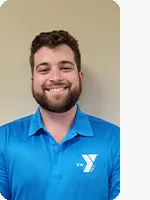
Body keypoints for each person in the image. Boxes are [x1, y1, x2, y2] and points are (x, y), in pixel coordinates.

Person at [0, 30, 120, 200]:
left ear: (80, 77)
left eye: (65, 68)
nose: (55, 77)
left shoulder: (116, 140)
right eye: (44, 69)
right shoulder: (3, 139)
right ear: (33, 81)